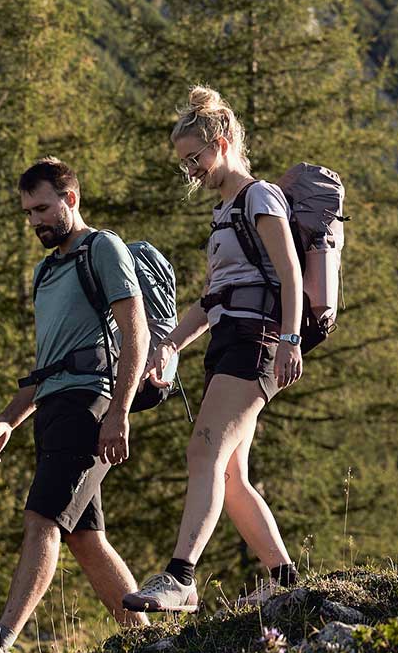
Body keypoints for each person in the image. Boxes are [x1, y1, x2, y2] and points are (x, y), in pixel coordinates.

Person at [0, 157, 150, 653]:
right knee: (84, 537)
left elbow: (137, 332)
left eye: (42, 208)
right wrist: (8, 420)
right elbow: (46, 367)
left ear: (71, 199)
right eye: (27, 212)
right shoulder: (46, 271)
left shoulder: (102, 248)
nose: (34, 220)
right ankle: (150, 643)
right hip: (54, 408)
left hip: (91, 404)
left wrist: (118, 412)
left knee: (42, 519)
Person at [123, 86, 303, 613]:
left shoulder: (259, 197)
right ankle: (286, 580)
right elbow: (215, 297)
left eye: (194, 158)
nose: (190, 170)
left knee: (203, 451)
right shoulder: (225, 212)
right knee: (230, 474)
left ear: (221, 144)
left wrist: (291, 339)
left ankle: (181, 578)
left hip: (258, 342)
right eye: (184, 162)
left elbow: (289, 271)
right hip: (230, 340)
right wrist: (170, 344)